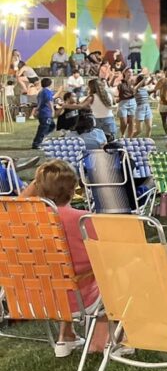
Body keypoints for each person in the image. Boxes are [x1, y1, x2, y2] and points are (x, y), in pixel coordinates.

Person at [22, 160, 108, 354]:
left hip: (37, 299)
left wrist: (40, 183)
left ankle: (66, 336)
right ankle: (103, 341)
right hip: (78, 300)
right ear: (73, 189)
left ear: (38, 187)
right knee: (112, 274)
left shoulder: (21, 221)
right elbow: (105, 260)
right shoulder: (82, 220)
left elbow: (17, 203)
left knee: (60, 273)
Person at [83, 77, 118, 141]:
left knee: (97, 141)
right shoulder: (109, 94)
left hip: (96, 120)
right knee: (111, 140)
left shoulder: (91, 97)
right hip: (108, 119)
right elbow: (114, 105)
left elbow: (82, 106)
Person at [31, 77, 56, 149]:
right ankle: (37, 143)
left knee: (51, 126)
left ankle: (41, 139)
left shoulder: (41, 92)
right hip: (46, 113)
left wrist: (37, 109)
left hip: (42, 113)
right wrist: (52, 110)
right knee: (44, 128)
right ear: (50, 84)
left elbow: (40, 102)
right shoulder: (47, 92)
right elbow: (49, 101)